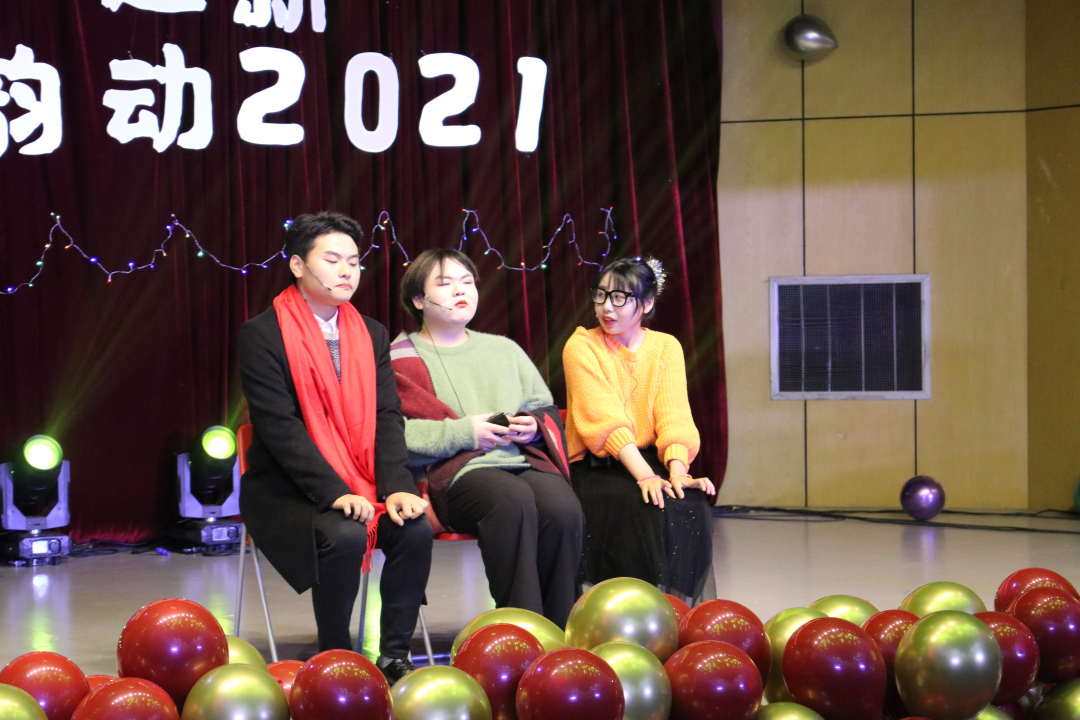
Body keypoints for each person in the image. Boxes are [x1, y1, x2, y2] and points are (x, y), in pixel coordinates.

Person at [238, 212, 432, 685]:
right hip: (288, 488)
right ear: (298, 266)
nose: (347, 271)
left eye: (354, 261)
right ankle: (337, 657)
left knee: (413, 529)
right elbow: (280, 429)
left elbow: (387, 416)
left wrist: (397, 486)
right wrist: (334, 492)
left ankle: (395, 656)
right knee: (344, 535)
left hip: (362, 477)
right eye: (332, 260)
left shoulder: (371, 332)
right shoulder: (261, 334)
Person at [390, 248, 583, 629]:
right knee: (511, 500)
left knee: (563, 509)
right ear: (418, 300)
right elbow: (394, 436)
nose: (460, 290)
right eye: (445, 283)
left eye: (467, 282)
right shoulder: (401, 358)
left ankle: (562, 630)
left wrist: (532, 426)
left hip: (519, 460)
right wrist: (465, 432)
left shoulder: (503, 349)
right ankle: (523, 629)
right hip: (453, 475)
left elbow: (543, 409)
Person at [562, 256, 716, 603]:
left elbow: (674, 416)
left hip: (647, 457)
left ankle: (673, 612)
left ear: (646, 304)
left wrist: (678, 472)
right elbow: (605, 421)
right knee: (640, 504)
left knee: (688, 502)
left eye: (620, 298)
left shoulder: (665, 347)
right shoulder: (581, 346)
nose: (606, 307)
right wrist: (646, 476)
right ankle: (627, 610)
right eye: (601, 295)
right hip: (597, 464)